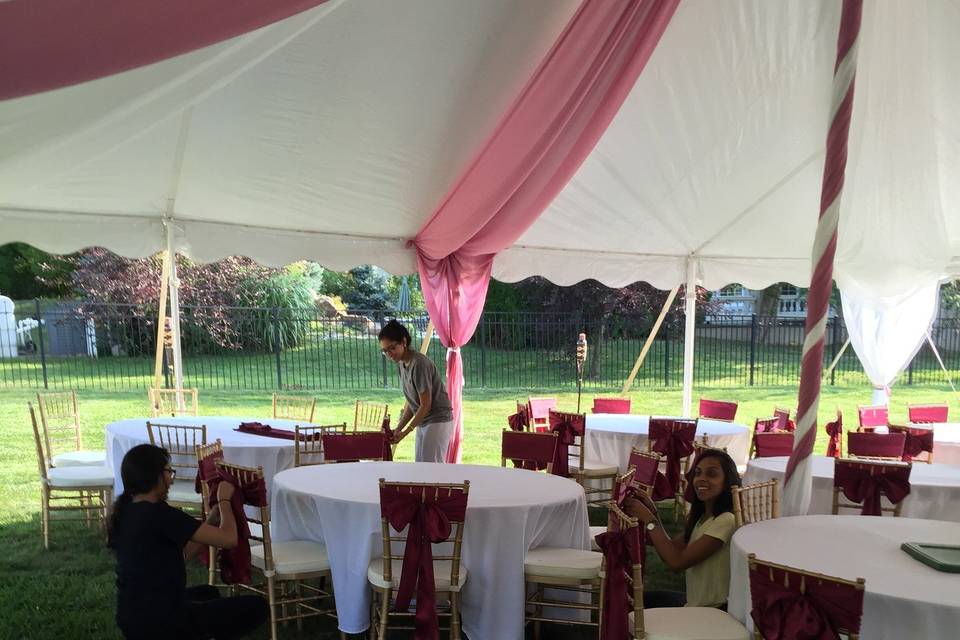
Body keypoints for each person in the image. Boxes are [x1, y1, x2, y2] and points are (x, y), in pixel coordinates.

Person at [108, 444, 269, 639]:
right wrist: (224, 500)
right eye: (169, 472)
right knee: (257, 606)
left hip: (133, 617)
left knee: (208, 592)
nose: (171, 480)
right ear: (156, 476)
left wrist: (210, 522)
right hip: (164, 623)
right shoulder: (161, 515)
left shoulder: (127, 512)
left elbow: (179, 556)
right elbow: (229, 539)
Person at [624, 449, 741, 609]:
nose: (701, 479)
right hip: (694, 604)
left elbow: (676, 563)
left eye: (711, 474)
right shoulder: (702, 517)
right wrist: (653, 513)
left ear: (728, 482)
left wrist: (649, 519)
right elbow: (670, 551)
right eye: (698, 473)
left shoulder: (727, 520)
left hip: (712, 611)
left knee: (636, 607)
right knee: (635, 601)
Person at [378, 319, 454, 462]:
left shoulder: (419, 364)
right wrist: (398, 429)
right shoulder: (402, 363)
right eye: (385, 351)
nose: (389, 354)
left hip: (437, 420)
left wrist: (406, 431)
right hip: (424, 421)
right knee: (421, 466)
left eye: (392, 348)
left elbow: (426, 404)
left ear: (404, 342)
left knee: (431, 469)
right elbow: (413, 403)